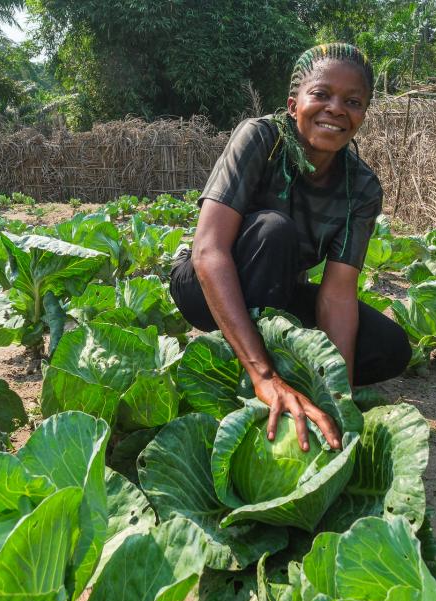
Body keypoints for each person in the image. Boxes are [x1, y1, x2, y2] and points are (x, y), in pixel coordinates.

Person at [169, 43, 412, 454]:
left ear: (363, 115)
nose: (336, 108)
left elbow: (337, 296)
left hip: (277, 292)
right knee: (274, 231)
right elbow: (208, 252)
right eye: (321, 94)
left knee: (389, 348)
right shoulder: (260, 138)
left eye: (352, 101)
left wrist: (338, 395)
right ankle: (253, 383)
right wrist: (264, 374)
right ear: (293, 103)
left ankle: (296, 396)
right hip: (205, 283)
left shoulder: (363, 188)